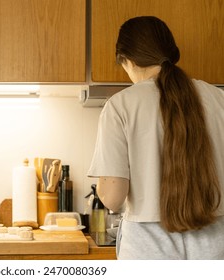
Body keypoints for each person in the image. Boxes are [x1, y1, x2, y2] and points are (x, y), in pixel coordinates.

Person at [87, 16, 224, 259]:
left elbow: (112, 198)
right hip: (215, 241)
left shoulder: (120, 105)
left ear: (126, 60)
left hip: (147, 245)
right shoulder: (219, 99)